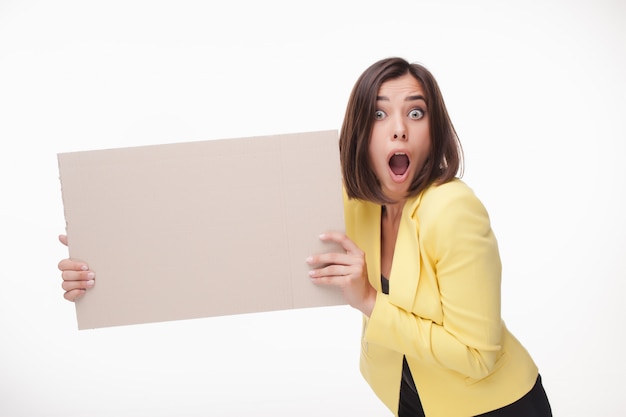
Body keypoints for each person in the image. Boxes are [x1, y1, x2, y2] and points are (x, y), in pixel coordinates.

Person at [58, 57, 552, 417]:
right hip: (412, 398)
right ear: (361, 130)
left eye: (415, 113)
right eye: (380, 114)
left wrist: (367, 300)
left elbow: (478, 356)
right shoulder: (351, 200)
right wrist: (105, 256)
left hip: (494, 406)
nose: (398, 129)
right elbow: (221, 228)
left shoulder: (452, 210)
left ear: (433, 131)